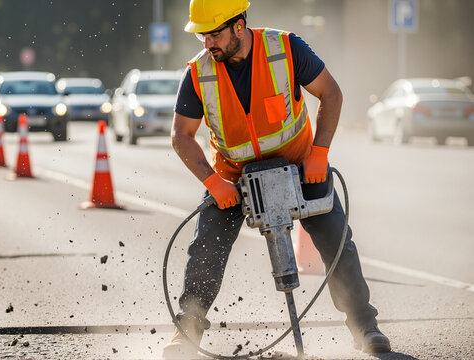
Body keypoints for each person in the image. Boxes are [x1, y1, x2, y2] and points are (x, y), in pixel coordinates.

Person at [164, 0, 392, 358]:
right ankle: (187, 332)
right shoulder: (198, 73)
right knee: (205, 248)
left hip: (301, 166)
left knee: (336, 238)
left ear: (239, 25)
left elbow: (331, 94)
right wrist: (213, 183)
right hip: (234, 178)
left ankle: (365, 326)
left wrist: (319, 153)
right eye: (202, 36)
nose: (207, 43)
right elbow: (181, 135)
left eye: (213, 34)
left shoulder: (286, 49)